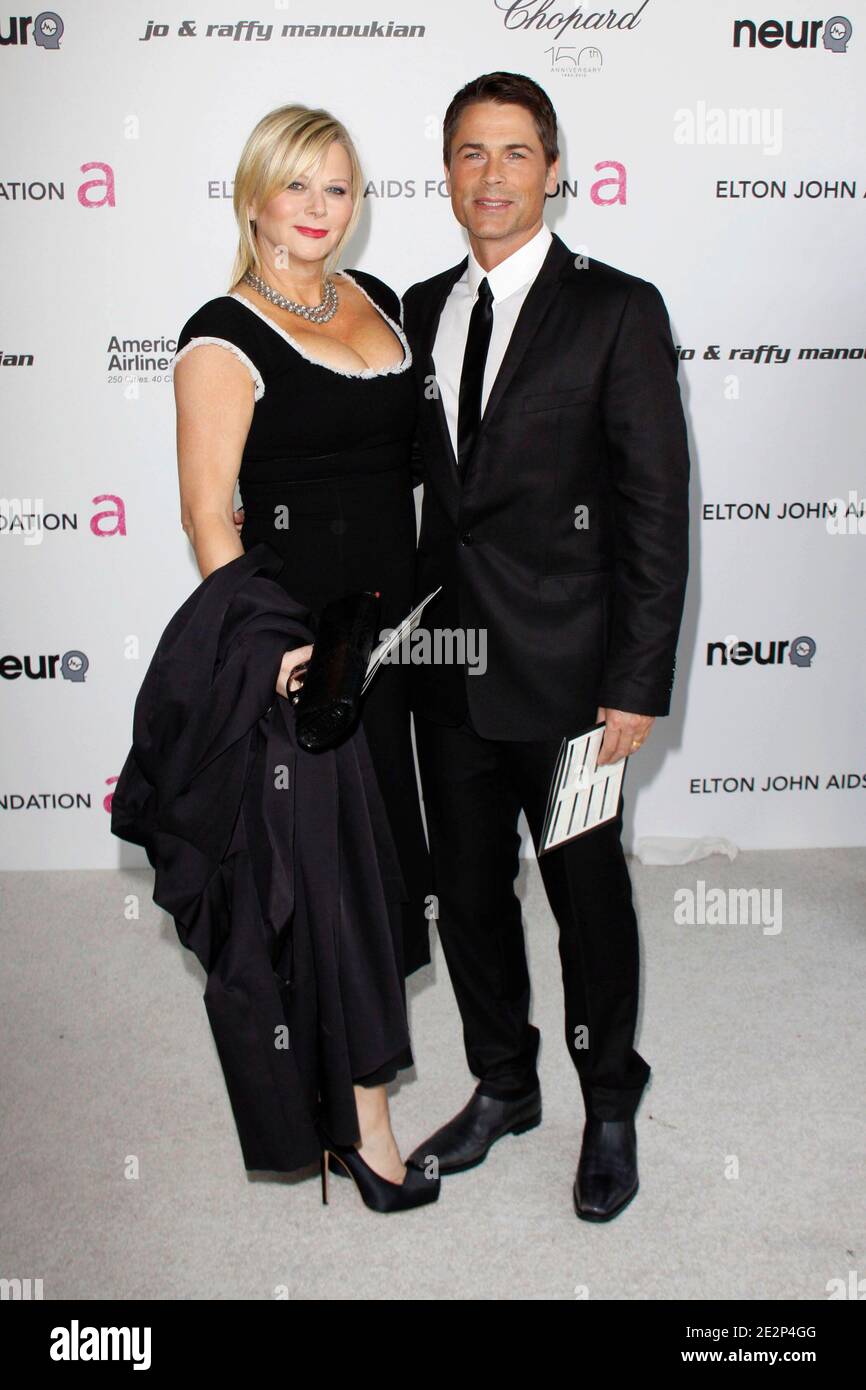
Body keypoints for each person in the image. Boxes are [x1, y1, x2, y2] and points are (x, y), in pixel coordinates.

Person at [401, 72, 691, 1221]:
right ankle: (501, 1086)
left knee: (587, 901)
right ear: (447, 174)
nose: (491, 176)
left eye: (513, 154)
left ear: (553, 168)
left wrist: (633, 681)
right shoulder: (418, 306)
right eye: (469, 154)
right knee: (467, 900)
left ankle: (608, 1102)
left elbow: (655, 511)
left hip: (574, 684)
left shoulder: (618, 308)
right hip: (446, 672)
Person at [170, 103, 436, 1211]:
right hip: (309, 656)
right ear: (253, 199)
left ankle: (346, 1107)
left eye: (338, 187)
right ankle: (366, 1134)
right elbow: (205, 514)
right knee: (332, 891)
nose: (320, 209)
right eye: (298, 187)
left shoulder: (371, 304)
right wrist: (274, 652)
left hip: (400, 636)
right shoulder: (221, 331)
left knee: (383, 876)